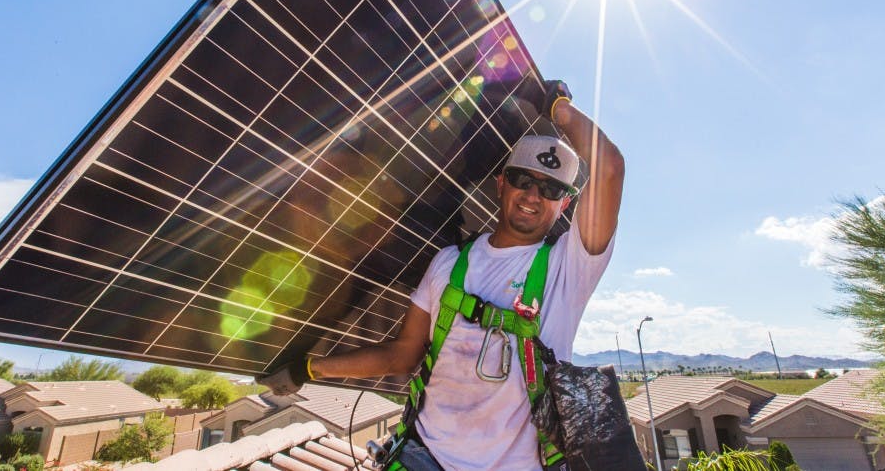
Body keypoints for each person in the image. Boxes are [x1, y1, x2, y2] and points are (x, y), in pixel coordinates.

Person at [260, 81, 625, 471]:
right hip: (424, 457)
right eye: (523, 180)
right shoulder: (448, 263)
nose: (534, 195)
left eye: (551, 188)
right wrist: (308, 369)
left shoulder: (568, 268)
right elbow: (403, 355)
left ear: (565, 203)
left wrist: (555, 106)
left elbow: (609, 168)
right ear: (501, 184)